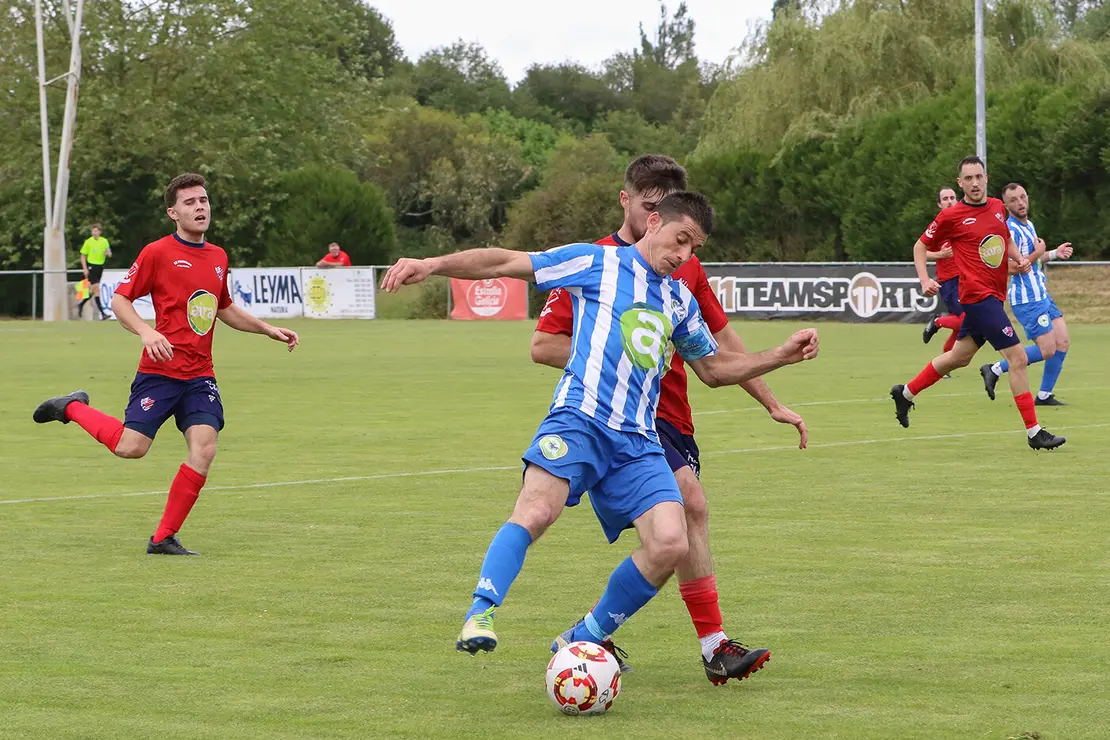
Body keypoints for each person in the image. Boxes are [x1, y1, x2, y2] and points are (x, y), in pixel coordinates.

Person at [379, 191, 820, 670]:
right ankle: (480, 614)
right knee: (537, 510)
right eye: (680, 239)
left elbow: (712, 368)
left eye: (695, 247)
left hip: (638, 442)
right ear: (653, 222)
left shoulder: (679, 299)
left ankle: (582, 637)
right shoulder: (595, 262)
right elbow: (505, 261)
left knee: (672, 542)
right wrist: (432, 263)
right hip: (579, 421)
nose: (684, 255)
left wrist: (779, 355)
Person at [532, 155, 807, 684]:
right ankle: (713, 645)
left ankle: (590, 636)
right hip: (623, 416)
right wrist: (612, 360)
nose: (660, 223)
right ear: (629, 202)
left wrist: (770, 401)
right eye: (648, 206)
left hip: (676, 414)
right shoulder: (594, 263)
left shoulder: (686, 265)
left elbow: (721, 348)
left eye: (668, 210)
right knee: (690, 508)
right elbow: (543, 345)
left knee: (680, 530)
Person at [33, 173, 300, 555]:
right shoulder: (157, 253)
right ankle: (72, 407)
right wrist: (146, 332)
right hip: (160, 371)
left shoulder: (219, 257)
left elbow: (222, 308)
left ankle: (163, 538)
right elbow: (121, 300)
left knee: (204, 449)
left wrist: (267, 329)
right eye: (190, 202)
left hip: (199, 374)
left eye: (204, 200)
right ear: (173, 212)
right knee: (131, 448)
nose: (200, 207)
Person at [890, 156, 1064, 450]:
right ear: (960, 183)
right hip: (977, 297)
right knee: (1018, 359)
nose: (974, 183)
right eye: (968, 178)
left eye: (978, 177)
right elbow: (920, 246)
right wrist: (924, 280)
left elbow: (1004, 238)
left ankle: (905, 393)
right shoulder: (951, 216)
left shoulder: (997, 207)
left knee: (959, 357)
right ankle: (1035, 433)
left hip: (995, 295)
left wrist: (1018, 257)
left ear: (986, 178)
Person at [980, 183, 1073, 406]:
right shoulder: (1009, 230)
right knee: (1048, 349)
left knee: (1063, 342)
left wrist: (1052, 253)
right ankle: (995, 368)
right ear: (1006, 205)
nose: (1020, 202)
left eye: (1022, 197)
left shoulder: (1029, 225)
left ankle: (1044, 395)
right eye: (1014, 200)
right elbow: (1009, 267)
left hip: (1041, 294)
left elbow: (1032, 259)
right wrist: (1038, 252)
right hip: (1027, 299)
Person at [921, 188, 963, 352]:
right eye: (945, 198)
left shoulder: (963, 222)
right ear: (939, 204)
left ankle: (945, 362)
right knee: (965, 321)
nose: (950, 201)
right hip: (950, 281)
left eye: (952, 197)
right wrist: (941, 254)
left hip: (966, 279)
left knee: (962, 327)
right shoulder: (937, 227)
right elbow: (921, 252)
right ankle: (938, 320)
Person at [78, 223, 111, 319]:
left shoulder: (104, 241)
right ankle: (103, 313)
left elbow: (109, 253)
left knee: (93, 291)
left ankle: (81, 304)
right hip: (91, 266)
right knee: (96, 289)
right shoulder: (88, 242)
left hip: (100, 267)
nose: (94, 233)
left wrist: (107, 253)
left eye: (96, 231)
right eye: (93, 231)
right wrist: (85, 268)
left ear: (100, 232)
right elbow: (83, 255)